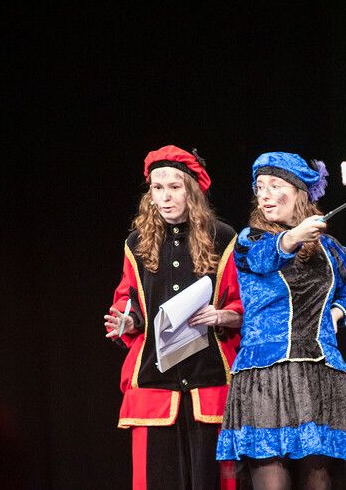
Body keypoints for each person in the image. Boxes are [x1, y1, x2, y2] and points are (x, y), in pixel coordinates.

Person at [216, 152, 346, 489]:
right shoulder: (251, 240)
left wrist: (337, 312)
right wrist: (294, 236)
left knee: (318, 482)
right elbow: (266, 257)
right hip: (266, 375)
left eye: (275, 185)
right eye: (260, 187)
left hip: (318, 375)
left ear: (300, 193)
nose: (266, 194)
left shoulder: (329, 248)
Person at [104, 145, 243, 490]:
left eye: (174, 187)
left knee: (211, 480)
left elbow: (241, 303)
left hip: (208, 374)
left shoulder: (222, 238)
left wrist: (224, 315)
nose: (165, 197)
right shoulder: (137, 243)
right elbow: (128, 297)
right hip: (156, 378)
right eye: (157, 188)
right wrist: (128, 320)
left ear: (192, 191)